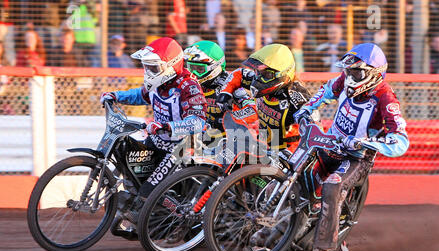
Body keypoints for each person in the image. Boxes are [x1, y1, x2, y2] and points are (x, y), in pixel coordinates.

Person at [293, 43, 410, 251]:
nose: (350, 76)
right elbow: (324, 92)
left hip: (357, 157)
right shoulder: (344, 81)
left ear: (374, 74)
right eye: (349, 70)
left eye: (356, 72)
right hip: (331, 143)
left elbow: (401, 140)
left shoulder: (386, 98)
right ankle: (275, 227)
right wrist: (306, 110)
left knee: (333, 185)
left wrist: (368, 142)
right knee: (298, 168)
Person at [100, 37, 208, 239]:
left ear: (170, 66)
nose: (149, 71)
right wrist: (115, 95)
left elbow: (199, 122)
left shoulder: (188, 86)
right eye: (146, 66)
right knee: (133, 167)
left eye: (153, 67)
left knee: (149, 186)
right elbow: (140, 95)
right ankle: (150, 215)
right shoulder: (158, 83)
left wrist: (167, 126)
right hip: (159, 141)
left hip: (184, 147)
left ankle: (167, 217)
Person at [217, 43, 314, 154]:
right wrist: (225, 92)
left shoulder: (298, 100)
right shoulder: (259, 81)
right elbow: (239, 74)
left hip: (288, 156)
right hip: (264, 147)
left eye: (266, 74)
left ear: (282, 74)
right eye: (257, 72)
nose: (258, 78)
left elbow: (314, 133)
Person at [184, 40, 230, 133]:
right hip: (195, 137)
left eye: (200, 69)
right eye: (191, 68)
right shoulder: (188, 85)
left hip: (224, 140)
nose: (194, 73)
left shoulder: (229, 86)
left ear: (215, 66)